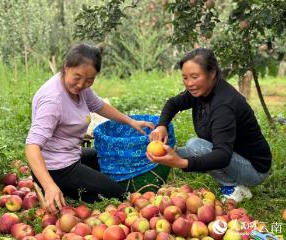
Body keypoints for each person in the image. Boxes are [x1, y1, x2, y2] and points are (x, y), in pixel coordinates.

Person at [26, 43, 154, 212]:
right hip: (56, 169)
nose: (81, 84)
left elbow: (99, 105)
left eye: (89, 80)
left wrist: (131, 121)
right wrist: (49, 185)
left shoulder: (80, 89)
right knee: (120, 195)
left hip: (71, 155)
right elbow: (32, 146)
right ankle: (53, 186)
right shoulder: (53, 100)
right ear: (66, 66)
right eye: (77, 77)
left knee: (113, 156)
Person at [146, 48, 271, 202]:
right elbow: (173, 104)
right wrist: (162, 125)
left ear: (212, 73)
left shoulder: (224, 105)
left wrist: (181, 163)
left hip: (254, 168)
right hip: (234, 154)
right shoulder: (202, 90)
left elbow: (222, 156)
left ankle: (234, 188)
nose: (189, 83)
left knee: (198, 147)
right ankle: (175, 157)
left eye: (194, 77)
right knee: (193, 145)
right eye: (185, 77)